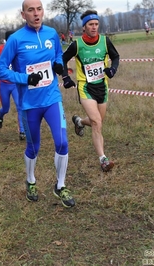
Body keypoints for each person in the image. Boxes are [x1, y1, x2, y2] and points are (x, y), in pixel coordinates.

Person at [0, 0, 75, 208]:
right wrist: (24, 78)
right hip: (29, 104)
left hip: (52, 99)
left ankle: (60, 185)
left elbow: (58, 54)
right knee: (33, 147)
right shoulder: (15, 39)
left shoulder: (51, 34)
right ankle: (31, 180)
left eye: (39, 9)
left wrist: (58, 64)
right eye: (31, 10)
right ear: (23, 15)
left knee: (62, 142)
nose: (36, 14)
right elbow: (0, 69)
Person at [62, 10, 120, 172]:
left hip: (102, 87)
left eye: (96, 24)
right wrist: (65, 76)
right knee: (96, 122)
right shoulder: (77, 45)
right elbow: (62, 58)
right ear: (84, 27)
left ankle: (79, 121)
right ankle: (103, 159)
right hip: (85, 87)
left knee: (98, 121)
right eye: (90, 25)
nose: (94, 27)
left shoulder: (105, 41)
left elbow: (116, 57)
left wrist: (112, 70)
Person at [0, 30, 26, 140]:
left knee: (20, 106)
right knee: (6, 108)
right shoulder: (0, 49)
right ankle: (0, 116)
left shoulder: (19, 48)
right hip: (3, 84)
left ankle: (22, 131)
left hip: (15, 84)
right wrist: (0, 70)